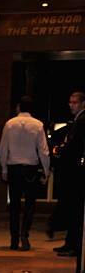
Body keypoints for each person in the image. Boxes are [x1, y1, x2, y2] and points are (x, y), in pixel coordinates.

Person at [0, 95, 50, 251]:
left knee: (14, 205)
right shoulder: (38, 125)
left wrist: (4, 168)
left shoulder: (9, 124)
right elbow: (43, 151)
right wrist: (46, 171)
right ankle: (24, 235)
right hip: (30, 169)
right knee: (29, 205)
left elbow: (3, 149)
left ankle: (14, 239)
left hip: (14, 168)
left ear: (18, 107)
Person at [52, 91, 85, 260]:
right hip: (74, 173)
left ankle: (74, 245)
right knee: (73, 211)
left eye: (74, 102)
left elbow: (74, 147)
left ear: (82, 103)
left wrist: (62, 151)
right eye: (70, 102)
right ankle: (70, 243)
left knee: (75, 211)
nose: (71, 105)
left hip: (75, 174)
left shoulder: (81, 121)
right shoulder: (77, 121)